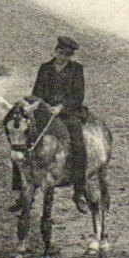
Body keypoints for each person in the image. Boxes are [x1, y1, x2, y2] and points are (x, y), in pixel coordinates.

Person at [29, 35, 89, 212]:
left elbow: (78, 96)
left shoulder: (76, 70)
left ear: (71, 56)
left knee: (78, 145)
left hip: (67, 114)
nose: (62, 57)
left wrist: (61, 108)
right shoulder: (45, 68)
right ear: (55, 51)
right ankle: (22, 192)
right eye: (60, 53)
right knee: (24, 141)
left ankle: (79, 191)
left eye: (67, 55)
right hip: (45, 113)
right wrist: (42, 105)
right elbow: (37, 92)